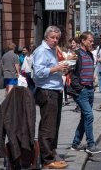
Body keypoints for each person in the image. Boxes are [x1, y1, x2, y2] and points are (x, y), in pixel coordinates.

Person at [33, 26, 69, 169]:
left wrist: (61, 68)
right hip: (47, 91)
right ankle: (47, 160)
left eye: (57, 38)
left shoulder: (51, 50)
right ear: (46, 37)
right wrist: (57, 69)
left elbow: (50, 70)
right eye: (52, 38)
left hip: (54, 90)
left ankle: (51, 154)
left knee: (54, 125)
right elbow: (39, 73)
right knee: (48, 126)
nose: (55, 41)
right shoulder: (42, 51)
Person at [70, 31, 101, 154]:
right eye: (90, 40)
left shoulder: (90, 54)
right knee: (89, 116)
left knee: (85, 117)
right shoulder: (76, 55)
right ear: (83, 41)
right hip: (82, 90)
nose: (92, 43)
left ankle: (75, 143)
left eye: (92, 41)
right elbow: (72, 74)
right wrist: (80, 88)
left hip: (90, 89)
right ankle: (90, 144)